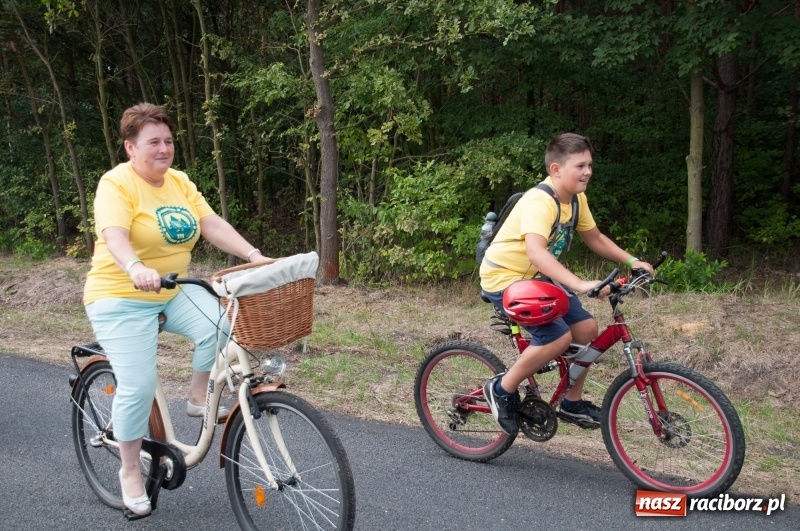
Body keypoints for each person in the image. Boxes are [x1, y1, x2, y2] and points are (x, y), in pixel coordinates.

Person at [83, 103, 270, 516]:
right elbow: (114, 236)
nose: (164, 149)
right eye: (153, 142)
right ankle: (130, 469)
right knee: (138, 384)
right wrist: (135, 267)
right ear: (131, 147)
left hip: (171, 289)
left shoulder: (180, 182)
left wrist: (254, 256)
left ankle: (197, 396)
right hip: (120, 296)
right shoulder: (116, 184)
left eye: (168, 141)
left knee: (224, 321)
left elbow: (210, 223)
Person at [479, 133, 654, 437]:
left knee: (586, 330)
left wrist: (632, 261)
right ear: (556, 169)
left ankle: (571, 403)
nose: (587, 172)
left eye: (589, 165)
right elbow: (536, 252)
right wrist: (580, 284)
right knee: (557, 337)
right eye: (580, 166)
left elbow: (594, 237)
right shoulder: (540, 201)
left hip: (535, 278)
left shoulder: (575, 199)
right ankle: (501, 389)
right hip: (505, 277)